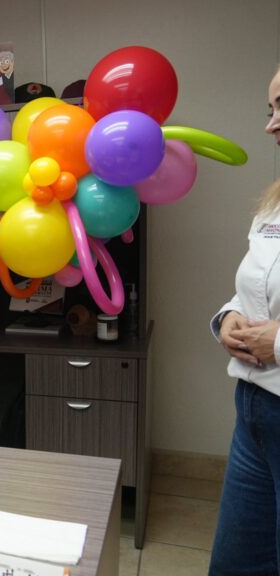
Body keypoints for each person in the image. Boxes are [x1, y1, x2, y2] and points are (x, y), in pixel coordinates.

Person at [209, 65, 280, 574]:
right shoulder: (273, 203)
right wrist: (230, 315)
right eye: (271, 110)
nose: (271, 125)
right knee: (235, 564)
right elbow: (256, 285)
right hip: (255, 410)